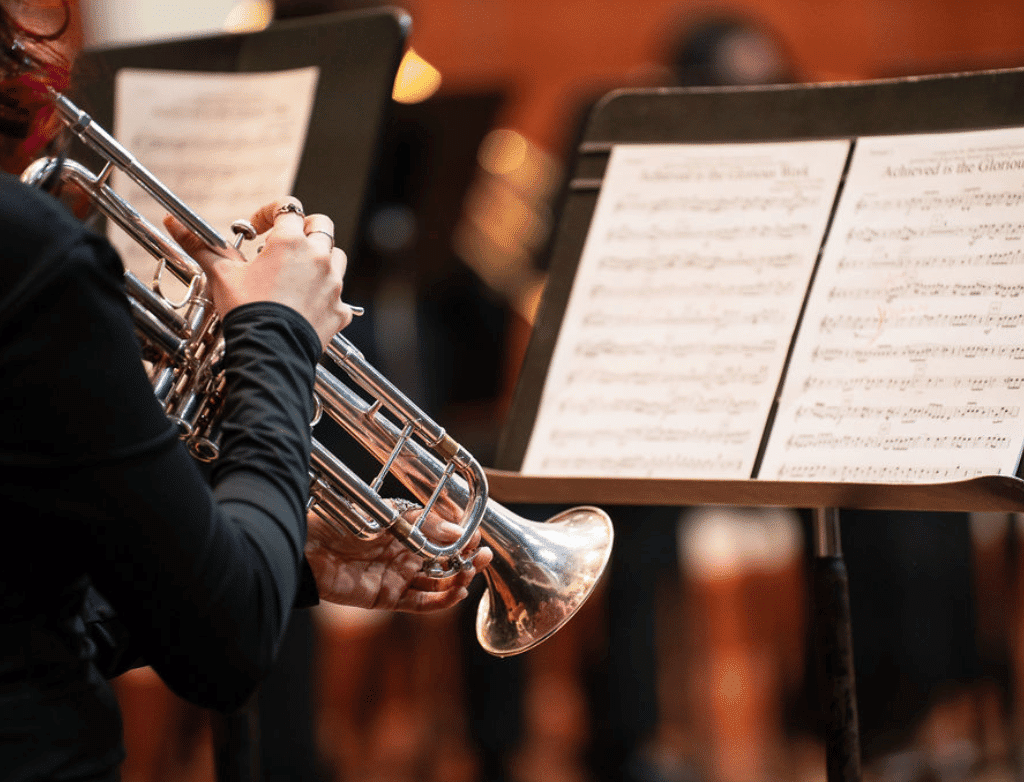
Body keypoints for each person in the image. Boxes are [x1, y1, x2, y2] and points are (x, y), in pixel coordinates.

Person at [0, 2, 492, 781]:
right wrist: (276, 329)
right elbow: (226, 650)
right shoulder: (31, 251)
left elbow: (27, 624)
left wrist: (269, 551)